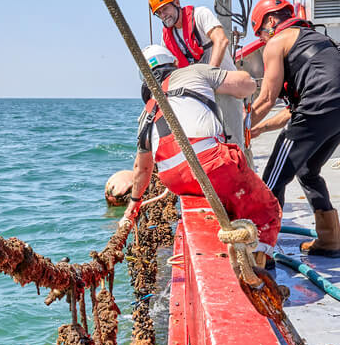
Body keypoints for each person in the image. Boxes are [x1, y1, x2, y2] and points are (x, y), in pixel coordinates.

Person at [120, 45, 281, 264]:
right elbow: (246, 86)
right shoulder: (194, 71)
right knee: (267, 210)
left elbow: (142, 168)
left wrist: (134, 204)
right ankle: (258, 268)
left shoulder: (146, 112)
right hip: (212, 165)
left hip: (174, 180)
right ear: (175, 63)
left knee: (223, 194)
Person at [246, 0, 340, 258]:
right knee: (308, 171)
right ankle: (329, 242)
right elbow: (293, 111)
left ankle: (262, 254)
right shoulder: (316, 39)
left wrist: (238, 128)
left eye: (261, 34)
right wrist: (258, 129)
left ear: (271, 22)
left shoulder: (277, 42)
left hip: (318, 110)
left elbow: (265, 99)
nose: (263, 40)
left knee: (274, 177)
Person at [149, 0, 247, 158]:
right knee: (207, 145)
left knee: (235, 143)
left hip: (226, 87)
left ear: (177, 2)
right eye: (159, 13)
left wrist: (210, 77)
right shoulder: (167, 38)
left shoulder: (200, 14)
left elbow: (221, 40)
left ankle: (246, 181)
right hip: (200, 95)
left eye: (165, 8)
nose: (164, 15)